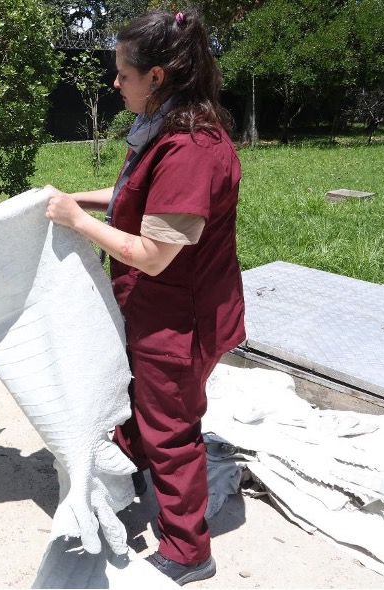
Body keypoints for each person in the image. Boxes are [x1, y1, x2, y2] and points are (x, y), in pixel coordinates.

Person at [45, 9, 245, 586]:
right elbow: (137, 195)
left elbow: (155, 253)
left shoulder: (190, 148)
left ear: (156, 76)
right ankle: (129, 473)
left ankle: (188, 551)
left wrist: (75, 222)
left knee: (171, 429)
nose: (115, 83)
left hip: (178, 321)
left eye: (122, 74)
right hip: (159, 313)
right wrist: (75, 199)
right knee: (140, 404)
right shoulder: (168, 130)